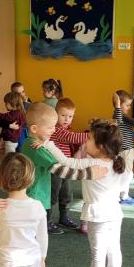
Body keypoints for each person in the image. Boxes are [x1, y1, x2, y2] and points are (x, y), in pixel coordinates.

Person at [21, 103, 108, 223]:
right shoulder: (37, 148)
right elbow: (60, 170)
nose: (53, 130)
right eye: (50, 128)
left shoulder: (29, 142)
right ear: (34, 129)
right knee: (35, 225)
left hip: (36, 191)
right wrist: (89, 174)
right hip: (37, 194)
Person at [69, 120, 126, 267]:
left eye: (89, 138)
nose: (85, 141)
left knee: (98, 254)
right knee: (113, 249)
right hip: (114, 213)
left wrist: (48, 146)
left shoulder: (90, 164)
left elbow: (66, 162)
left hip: (98, 215)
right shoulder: (116, 162)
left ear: (100, 146)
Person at [47, 96, 89, 233]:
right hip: (55, 169)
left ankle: (63, 217)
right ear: (55, 115)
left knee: (66, 194)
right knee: (52, 195)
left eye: (70, 116)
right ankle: (46, 221)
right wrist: (92, 135)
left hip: (65, 169)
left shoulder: (65, 129)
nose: (67, 119)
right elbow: (73, 138)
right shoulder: (56, 129)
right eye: (63, 115)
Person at [112, 89, 134, 204]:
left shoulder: (124, 118)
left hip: (127, 150)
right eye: (127, 105)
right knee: (127, 173)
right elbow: (117, 118)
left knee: (125, 172)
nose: (129, 107)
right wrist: (117, 105)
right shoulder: (118, 116)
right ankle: (118, 195)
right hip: (125, 150)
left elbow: (129, 133)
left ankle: (123, 195)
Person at [11, 81, 30, 150]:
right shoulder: (14, 104)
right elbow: (22, 114)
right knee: (20, 148)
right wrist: (25, 103)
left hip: (27, 130)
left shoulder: (27, 102)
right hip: (19, 131)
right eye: (19, 93)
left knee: (27, 147)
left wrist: (26, 103)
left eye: (23, 91)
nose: (22, 95)